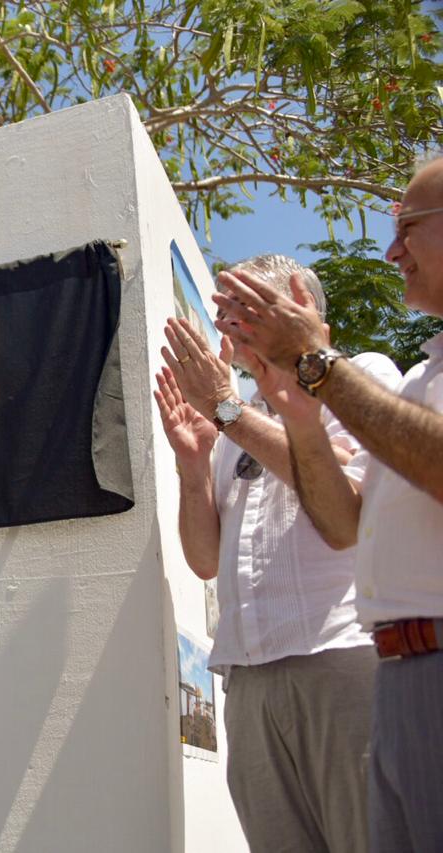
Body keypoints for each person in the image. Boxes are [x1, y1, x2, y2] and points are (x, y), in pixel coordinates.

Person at [212, 158, 443, 852]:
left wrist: (308, 367)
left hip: (359, 661)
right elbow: (345, 522)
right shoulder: (425, 374)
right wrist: (213, 442)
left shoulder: (368, 374)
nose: (392, 251)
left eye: (408, 227)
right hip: (396, 667)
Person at [153, 255, 400, 852]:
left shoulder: (361, 376)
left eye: (244, 308)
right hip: (249, 683)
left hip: (342, 660)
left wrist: (227, 410)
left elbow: (347, 502)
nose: (228, 326)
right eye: (225, 312)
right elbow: (205, 560)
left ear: (299, 302)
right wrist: (193, 466)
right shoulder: (237, 418)